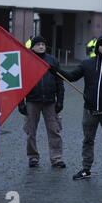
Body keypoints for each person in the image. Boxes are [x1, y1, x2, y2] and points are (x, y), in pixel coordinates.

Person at [52, 35, 102, 182]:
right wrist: (56, 70)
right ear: (97, 46)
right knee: (87, 140)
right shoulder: (87, 64)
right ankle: (86, 169)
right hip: (89, 111)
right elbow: (72, 77)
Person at [18, 36, 66, 168]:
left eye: (43, 44)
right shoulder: (26, 60)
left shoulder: (52, 61)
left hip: (50, 101)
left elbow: (59, 81)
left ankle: (56, 158)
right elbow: (20, 83)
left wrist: (60, 101)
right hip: (32, 101)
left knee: (54, 130)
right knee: (30, 131)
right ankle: (33, 157)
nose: (41, 47)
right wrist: (21, 103)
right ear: (32, 46)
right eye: (38, 44)